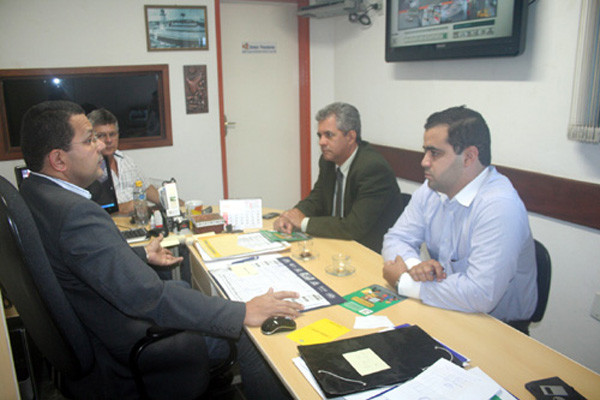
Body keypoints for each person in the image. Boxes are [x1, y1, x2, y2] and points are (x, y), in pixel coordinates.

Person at [19, 100, 303, 399]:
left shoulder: (36, 195)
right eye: (90, 139)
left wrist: (141, 256)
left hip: (97, 332)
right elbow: (149, 298)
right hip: (128, 345)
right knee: (251, 332)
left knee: (184, 286)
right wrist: (243, 311)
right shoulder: (75, 213)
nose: (101, 147)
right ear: (59, 160)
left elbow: (80, 264)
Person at [382, 106, 537, 332]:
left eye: (434, 153)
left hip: (496, 328)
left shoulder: (500, 206)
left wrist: (405, 282)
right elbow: (397, 237)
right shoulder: (431, 189)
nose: (424, 162)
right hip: (443, 309)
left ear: (469, 157)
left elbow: (481, 293)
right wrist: (415, 267)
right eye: (425, 151)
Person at [273, 102, 404, 252]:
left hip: (370, 251)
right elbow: (317, 199)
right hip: (338, 243)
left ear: (350, 137)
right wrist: (291, 216)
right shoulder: (328, 161)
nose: (321, 142)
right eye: (320, 135)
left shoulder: (373, 168)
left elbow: (354, 227)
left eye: (329, 135)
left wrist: (303, 222)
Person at [87, 108, 163, 214]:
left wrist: (174, 204)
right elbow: (91, 212)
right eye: (101, 135)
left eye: (112, 134)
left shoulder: (126, 161)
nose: (109, 140)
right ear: (90, 138)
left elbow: (146, 188)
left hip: (137, 224)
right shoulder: (88, 170)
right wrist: (125, 208)